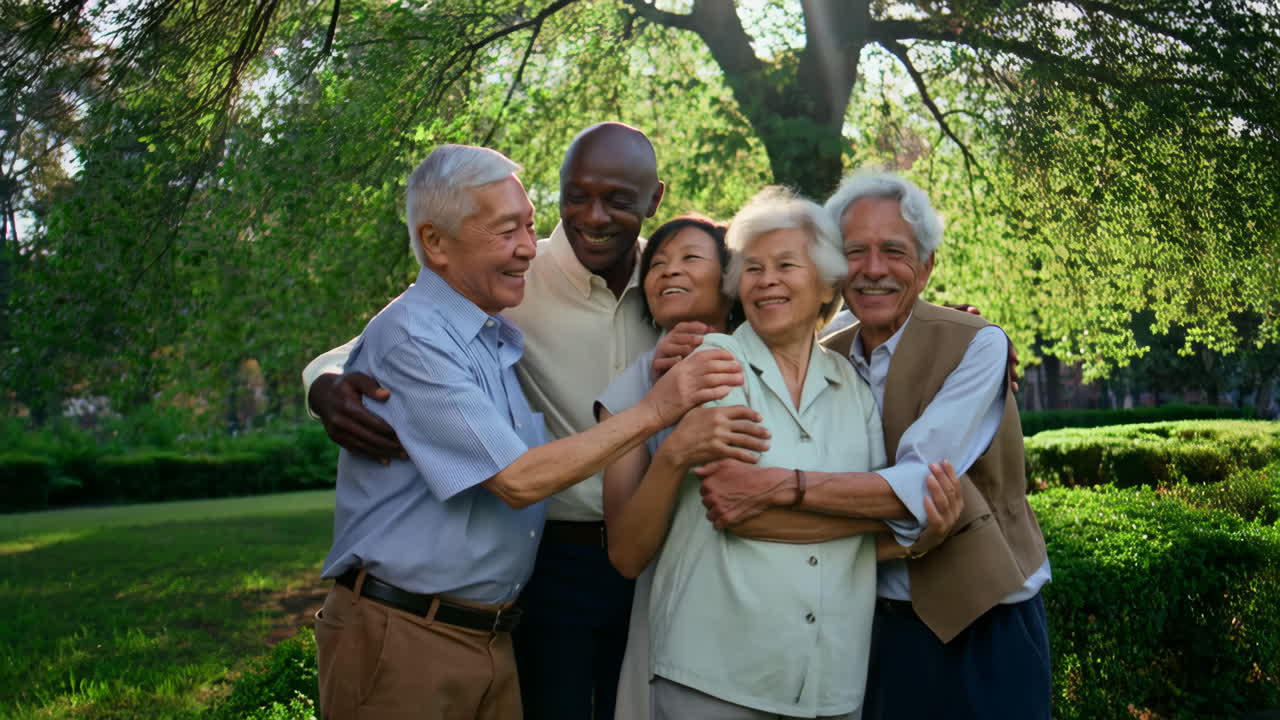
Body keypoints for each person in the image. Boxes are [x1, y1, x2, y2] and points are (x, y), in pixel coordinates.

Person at [312, 144, 743, 719]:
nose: (524, 247)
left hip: (524, 614)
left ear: (652, 199)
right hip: (428, 622)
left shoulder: (662, 276)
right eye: (506, 229)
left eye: (527, 226)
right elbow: (512, 476)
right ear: (436, 242)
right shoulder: (470, 310)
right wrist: (322, 381)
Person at [695, 171, 1053, 719]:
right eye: (855, 251)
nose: (874, 269)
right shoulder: (824, 354)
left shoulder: (978, 344)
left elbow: (918, 484)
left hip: (984, 618)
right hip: (868, 622)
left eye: (894, 251)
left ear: (927, 266)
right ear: (835, 267)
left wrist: (777, 487)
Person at [596, 210, 963, 720]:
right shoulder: (715, 360)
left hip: (829, 683)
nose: (767, 279)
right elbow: (736, 508)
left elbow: (869, 526)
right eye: (752, 267)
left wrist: (909, 536)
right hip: (717, 679)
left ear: (825, 285)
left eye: (786, 265)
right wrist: (893, 516)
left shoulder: (853, 388)